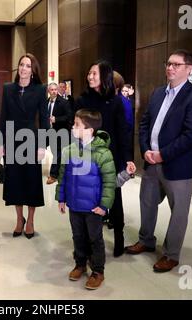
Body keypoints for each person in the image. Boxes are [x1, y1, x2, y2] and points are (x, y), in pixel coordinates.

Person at [125, 49, 192, 272]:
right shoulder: (158, 93)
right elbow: (144, 124)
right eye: (168, 63)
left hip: (178, 165)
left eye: (176, 65)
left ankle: (171, 254)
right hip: (151, 162)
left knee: (179, 211)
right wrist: (145, 150)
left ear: (189, 69)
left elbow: (191, 135)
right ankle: (146, 240)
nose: (170, 68)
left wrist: (163, 154)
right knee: (147, 203)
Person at [75, 60, 134, 257]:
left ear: (105, 77)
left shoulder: (115, 102)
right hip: (88, 159)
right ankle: (92, 241)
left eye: (94, 73)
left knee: (114, 199)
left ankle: (119, 236)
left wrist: (127, 159)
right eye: (89, 73)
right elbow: (75, 130)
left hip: (111, 157)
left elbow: (122, 132)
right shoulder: (82, 100)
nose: (90, 77)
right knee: (91, 200)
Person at [56, 109, 116, 290]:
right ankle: (80, 264)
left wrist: (104, 205)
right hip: (74, 205)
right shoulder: (69, 150)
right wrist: (61, 197)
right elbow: (63, 176)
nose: (73, 127)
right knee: (78, 236)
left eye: (77, 125)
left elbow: (109, 182)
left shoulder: (103, 154)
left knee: (95, 238)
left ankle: (98, 271)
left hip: (93, 208)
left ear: (89, 130)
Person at [0, 53, 49, 239]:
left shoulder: (39, 90)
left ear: (33, 71)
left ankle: (31, 220)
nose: (24, 68)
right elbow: (3, 116)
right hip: (12, 141)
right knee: (15, 182)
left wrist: (43, 145)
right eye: (21, 64)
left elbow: (44, 120)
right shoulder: (8, 88)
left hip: (31, 141)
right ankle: (19, 219)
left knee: (31, 181)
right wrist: (1, 142)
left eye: (28, 66)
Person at [46, 82, 73, 185]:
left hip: (60, 132)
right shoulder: (46, 102)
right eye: (51, 90)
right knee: (55, 153)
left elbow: (69, 117)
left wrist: (56, 119)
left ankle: (53, 175)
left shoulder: (64, 102)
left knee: (57, 154)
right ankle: (59, 172)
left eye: (55, 89)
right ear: (49, 91)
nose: (54, 91)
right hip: (49, 132)